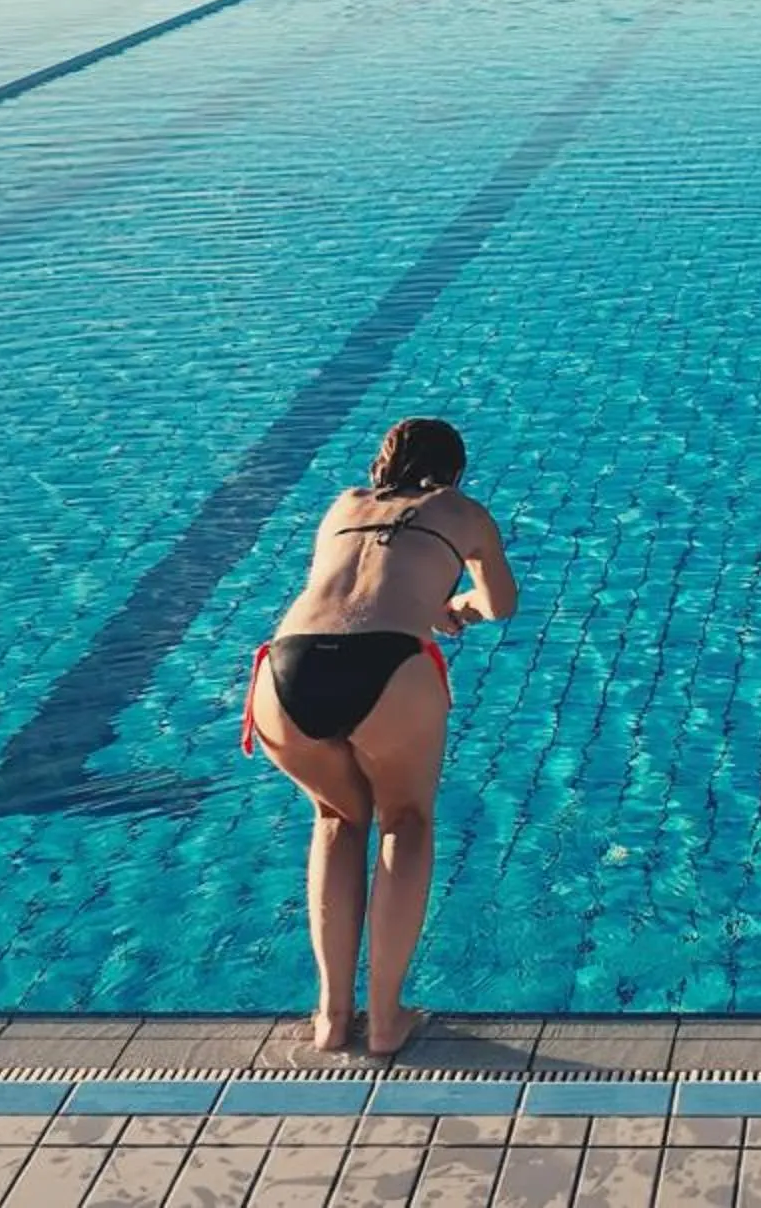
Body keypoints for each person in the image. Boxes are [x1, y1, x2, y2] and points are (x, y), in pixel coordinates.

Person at [241, 417, 517, 1056]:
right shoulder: (464, 512)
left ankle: (332, 1019)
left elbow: (347, 589)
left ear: (379, 466)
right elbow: (499, 603)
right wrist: (458, 609)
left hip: (287, 667)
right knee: (406, 822)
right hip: (389, 667)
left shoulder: (343, 504)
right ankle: (387, 1019)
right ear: (454, 471)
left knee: (337, 818)